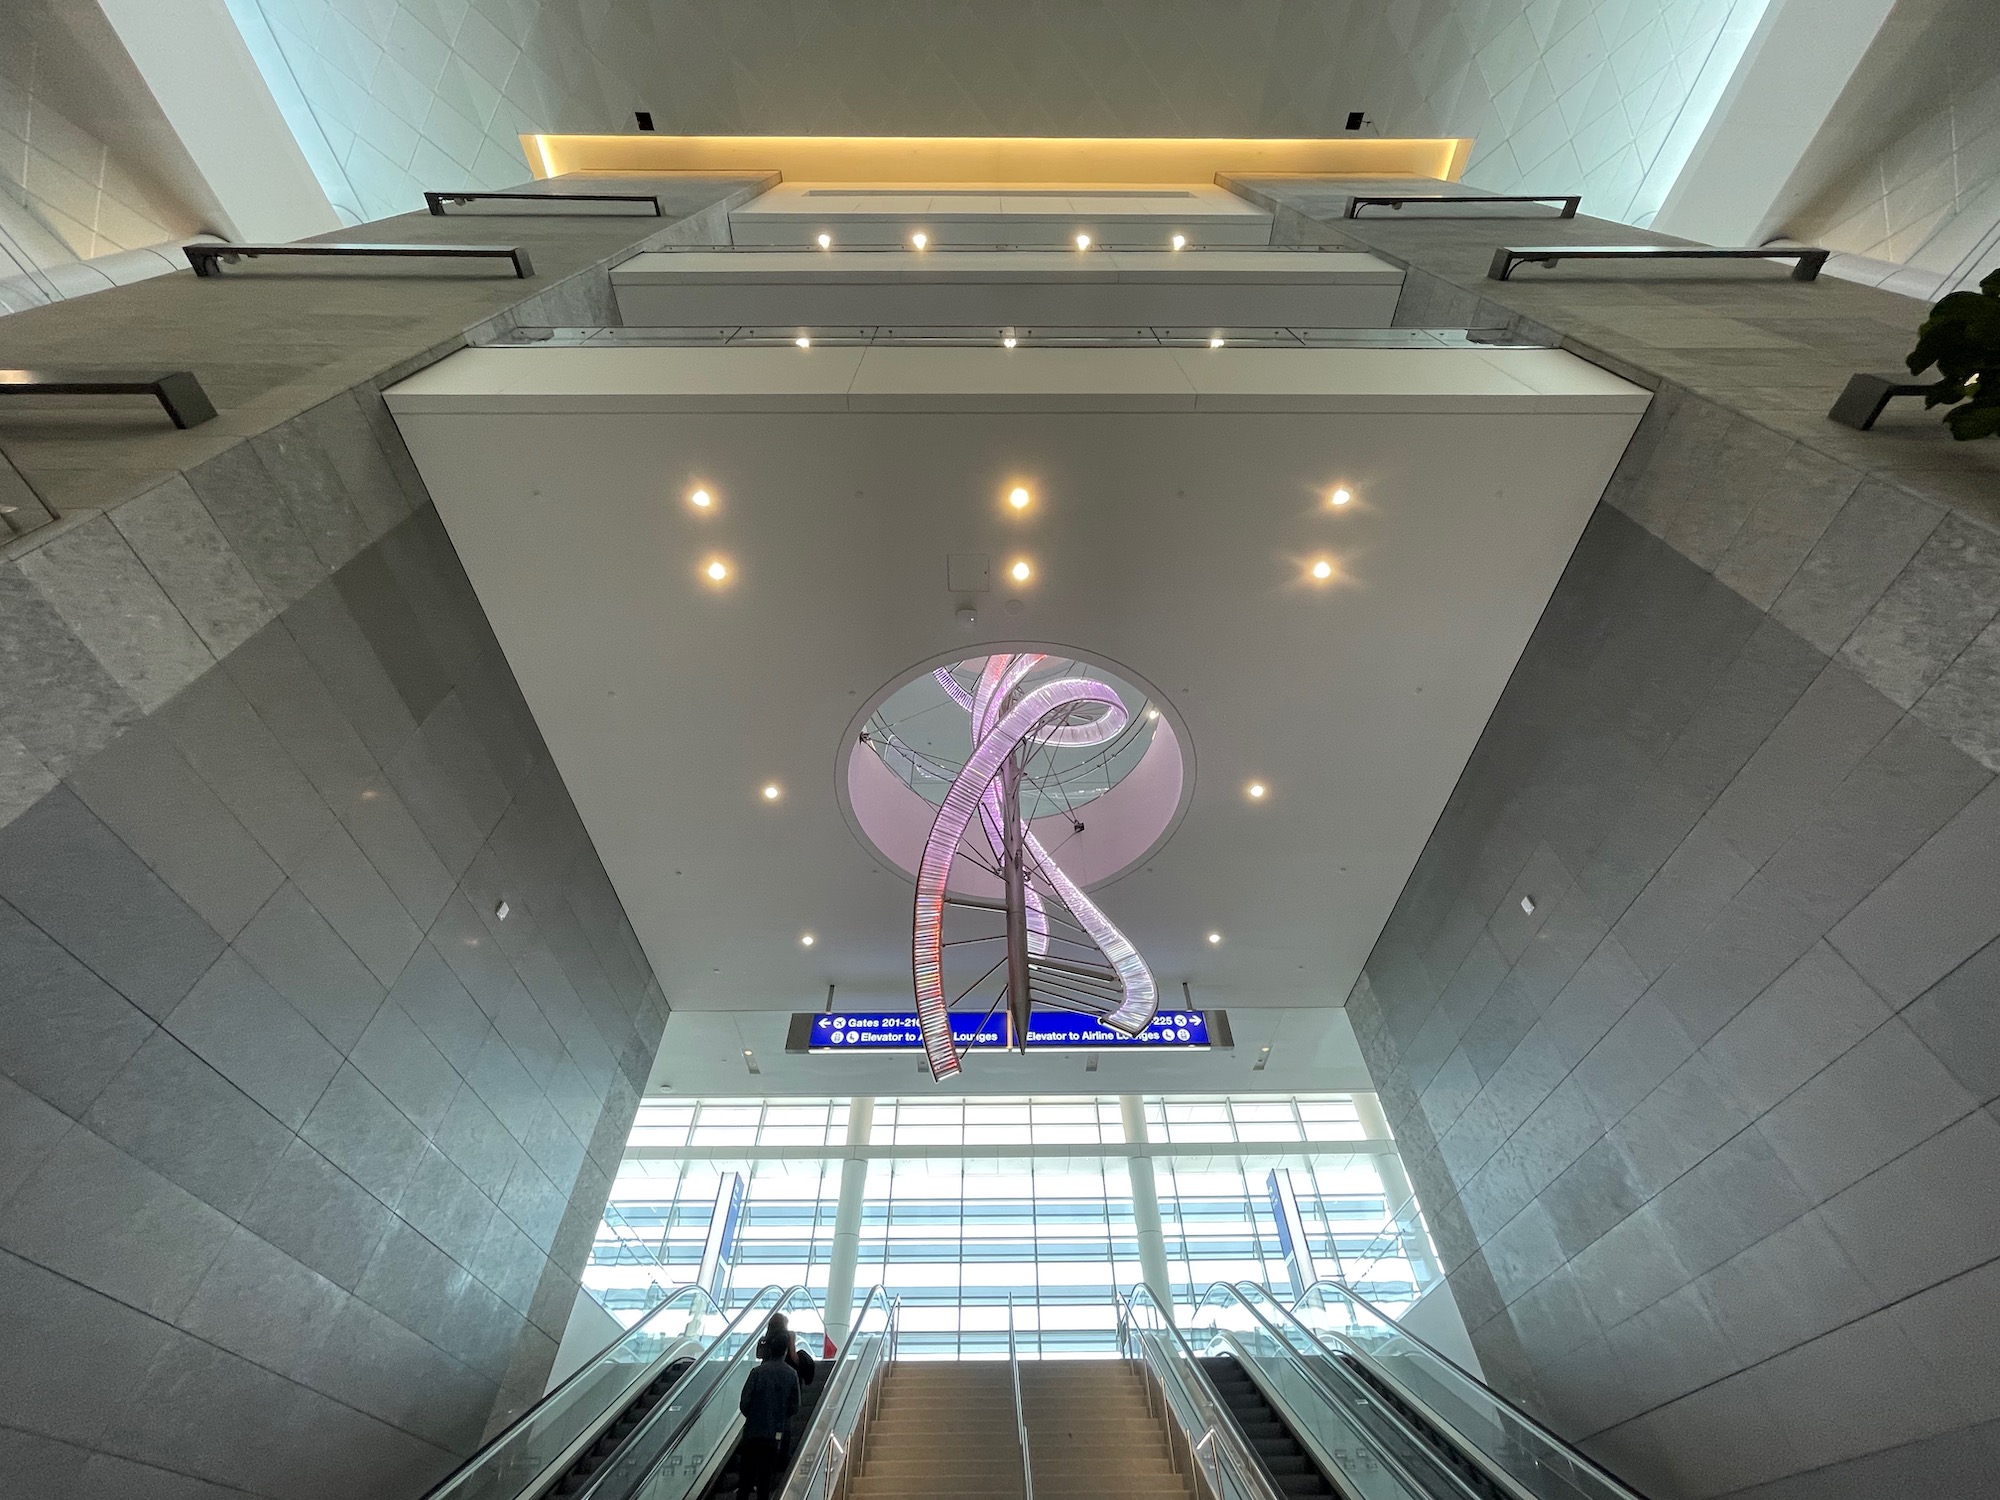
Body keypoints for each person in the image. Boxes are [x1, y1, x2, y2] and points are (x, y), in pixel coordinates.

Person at [737, 1331, 800, 1500]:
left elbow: (744, 1402)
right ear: (785, 1351)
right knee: (765, 1481)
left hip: (752, 1432)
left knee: (745, 1479)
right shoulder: (791, 1374)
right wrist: (780, 1416)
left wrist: (753, 1416)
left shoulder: (757, 1372)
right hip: (774, 1434)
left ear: (770, 1350)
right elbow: (795, 1406)